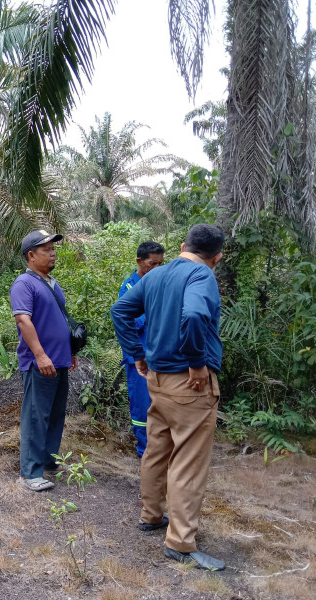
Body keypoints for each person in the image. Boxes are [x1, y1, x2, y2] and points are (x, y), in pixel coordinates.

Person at [111, 224, 225, 571]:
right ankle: (180, 543)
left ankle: (151, 515)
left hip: (157, 381)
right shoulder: (202, 276)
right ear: (217, 257)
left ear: (181, 245)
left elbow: (120, 311)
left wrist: (137, 354)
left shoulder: (154, 275)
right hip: (188, 387)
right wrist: (197, 364)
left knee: (158, 449)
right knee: (188, 461)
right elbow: (192, 315)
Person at [10, 230, 79, 492]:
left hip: (59, 360)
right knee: (36, 416)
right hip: (39, 362)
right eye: (46, 250)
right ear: (31, 255)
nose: (53, 254)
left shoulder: (52, 283)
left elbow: (58, 320)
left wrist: (69, 351)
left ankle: (49, 462)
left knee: (55, 414)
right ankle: (29, 473)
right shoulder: (23, 284)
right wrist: (40, 355)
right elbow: (23, 320)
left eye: (53, 249)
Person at [119, 241, 165, 458]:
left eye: (160, 264)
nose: (156, 268)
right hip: (137, 359)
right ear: (139, 261)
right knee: (142, 406)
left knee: (161, 404)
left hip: (160, 358)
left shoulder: (160, 286)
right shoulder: (129, 287)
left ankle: (160, 448)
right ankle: (144, 450)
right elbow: (132, 320)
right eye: (152, 263)